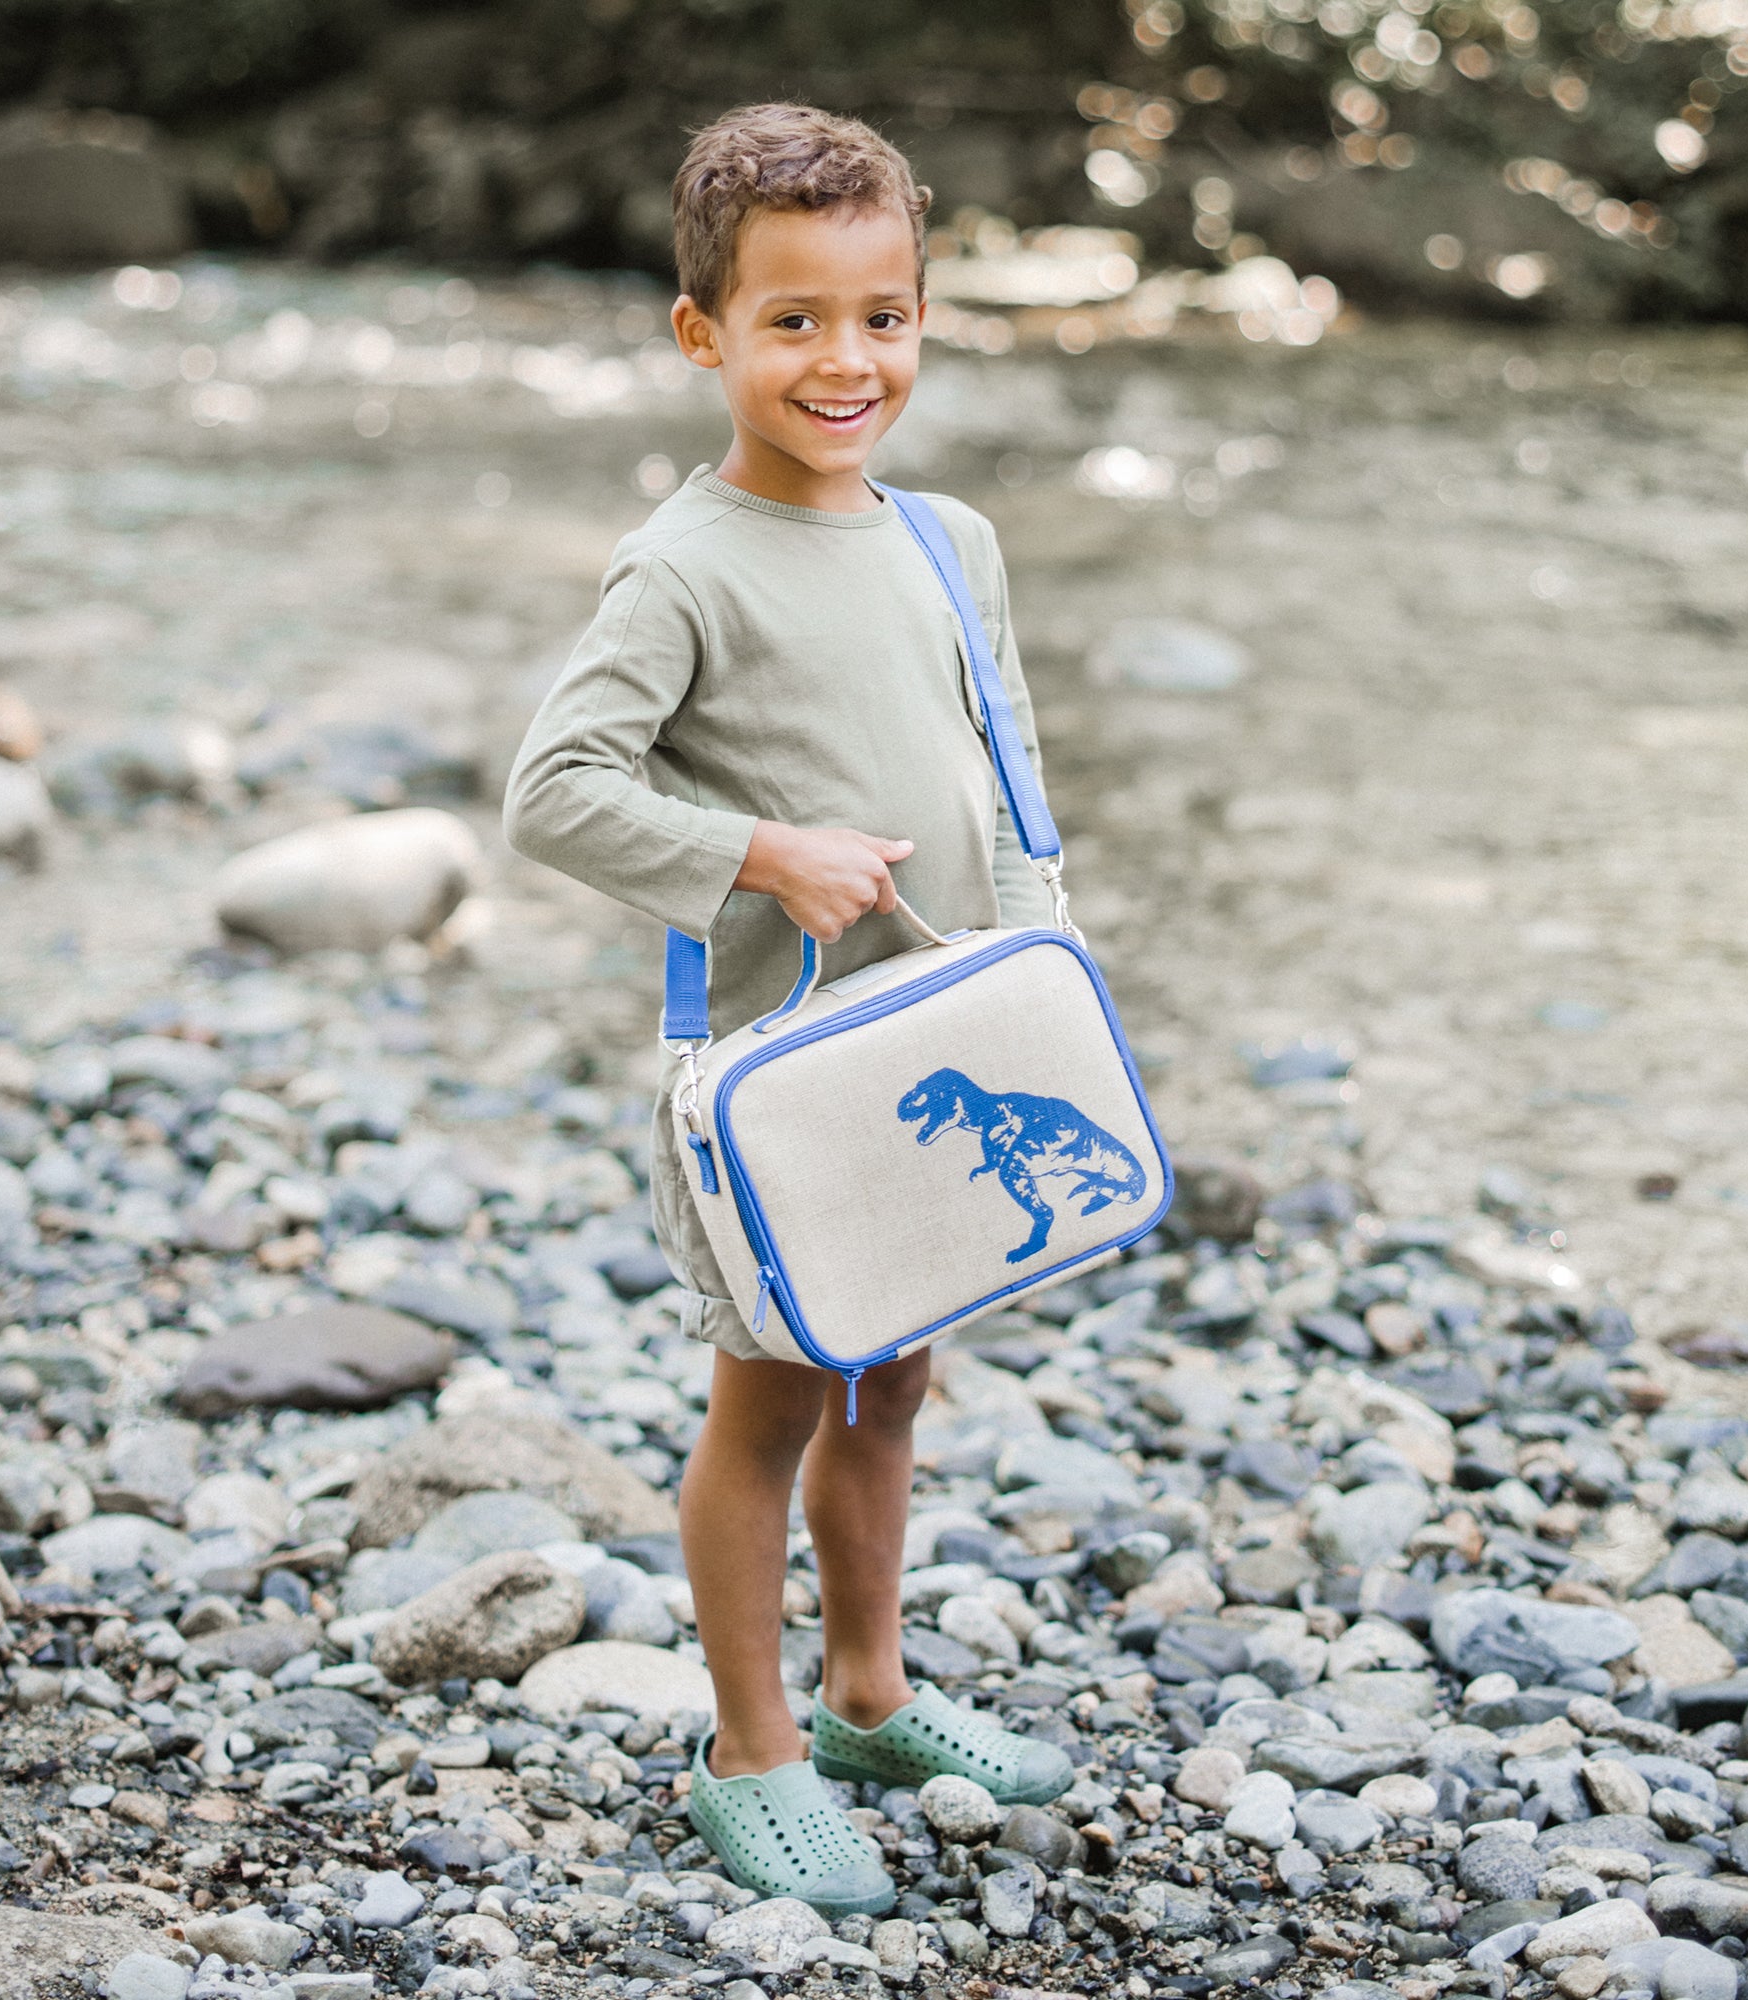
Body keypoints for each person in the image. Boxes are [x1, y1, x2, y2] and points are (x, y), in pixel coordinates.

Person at [503, 102, 1072, 1915]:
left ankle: (869, 1694)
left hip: (947, 1046)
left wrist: (1046, 941)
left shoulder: (951, 537)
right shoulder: (684, 567)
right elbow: (554, 789)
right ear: (704, 337)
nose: (848, 362)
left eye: (883, 317)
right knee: (767, 1404)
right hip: (783, 1077)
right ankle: (748, 1750)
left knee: (890, 1384)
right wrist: (762, 853)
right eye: (796, 322)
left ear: (922, 316)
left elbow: (1006, 751)